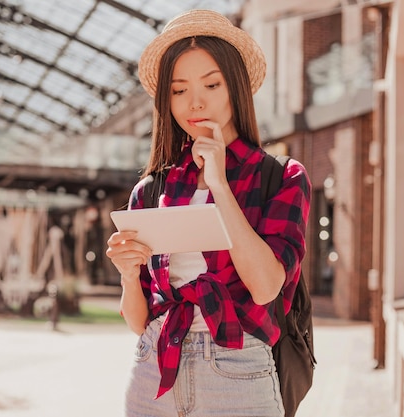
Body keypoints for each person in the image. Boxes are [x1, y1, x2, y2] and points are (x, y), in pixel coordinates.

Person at [105, 9, 311, 417]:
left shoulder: (282, 177)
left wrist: (218, 183)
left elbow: (267, 286)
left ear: (235, 87)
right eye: (179, 90)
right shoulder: (151, 190)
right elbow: (137, 319)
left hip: (237, 371)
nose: (194, 102)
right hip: (154, 369)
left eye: (211, 84)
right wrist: (129, 273)